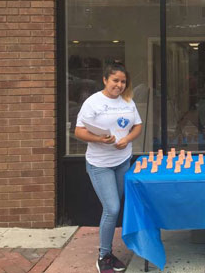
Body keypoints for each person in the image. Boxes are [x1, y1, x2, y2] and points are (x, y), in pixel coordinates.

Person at [75, 63, 142, 273]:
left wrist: (127, 139)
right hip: (100, 164)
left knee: (114, 208)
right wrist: (99, 139)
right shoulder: (93, 102)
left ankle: (108, 252)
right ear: (105, 80)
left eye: (123, 81)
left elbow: (137, 126)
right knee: (112, 208)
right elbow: (78, 131)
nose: (119, 85)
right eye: (115, 80)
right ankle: (104, 255)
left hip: (123, 161)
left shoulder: (128, 101)